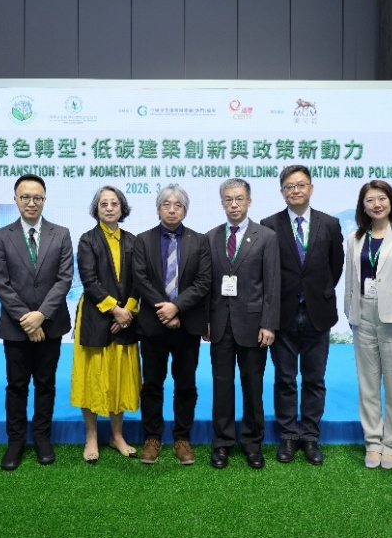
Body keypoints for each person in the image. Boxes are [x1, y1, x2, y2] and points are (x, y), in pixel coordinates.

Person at [260, 164, 344, 466]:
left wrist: (315, 292)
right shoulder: (269, 225)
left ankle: (309, 436)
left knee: (314, 379)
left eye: (300, 185)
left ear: (311, 188)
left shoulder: (329, 224)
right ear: (282, 191)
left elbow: (335, 267)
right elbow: (266, 271)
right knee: (284, 379)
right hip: (282, 315)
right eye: (289, 186)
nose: (295, 190)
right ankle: (287, 435)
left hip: (317, 314)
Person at [0, 175, 74, 471]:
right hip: (16, 327)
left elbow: (64, 279)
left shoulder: (61, 234)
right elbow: (0, 282)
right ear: (15, 199)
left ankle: (41, 437)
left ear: (44, 200)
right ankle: (15, 441)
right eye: (25, 197)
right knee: (16, 385)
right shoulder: (1, 236)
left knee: (45, 384)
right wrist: (27, 319)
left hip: (51, 324)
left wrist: (42, 315)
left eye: (37, 197)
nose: (31, 202)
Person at [344, 180, 392, 470]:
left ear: (391, 202)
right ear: (362, 206)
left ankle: (391, 444)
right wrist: (350, 313)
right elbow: (350, 281)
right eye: (370, 200)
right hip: (362, 315)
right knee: (367, 386)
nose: (376, 204)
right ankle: (373, 442)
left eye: (382, 199)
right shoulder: (354, 238)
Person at [132, 184, 212, 465]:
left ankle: (182, 438)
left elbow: (203, 281)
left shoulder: (199, 241)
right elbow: (140, 279)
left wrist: (177, 306)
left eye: (178, 205)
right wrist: (165, 309)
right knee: (152, 384)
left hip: (186, 325)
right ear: (158, 209)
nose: (172, 209)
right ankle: (152, 437)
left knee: (186, 384)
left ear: (185, 210)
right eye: (166, 204)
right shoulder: (142, 240)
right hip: (153, 325)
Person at [204, 178, 280, 470]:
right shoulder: (210, 237)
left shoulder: (266, 237)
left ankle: (252, 443)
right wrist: (205, 321)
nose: (233, 205)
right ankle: (222, 443)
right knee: (222, 386)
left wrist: (269, 324)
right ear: (222, 203)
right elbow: (206, 285)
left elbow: (272, 285)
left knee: (253, 386)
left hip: (253, 325)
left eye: (239, 199)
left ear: (249, 201)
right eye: (228, 199)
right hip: (219, 325)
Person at [71, 186, 142, 464]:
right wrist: (115, 310)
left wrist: (129, 310)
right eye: (104, 204)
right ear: (96, 209)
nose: (109, 208)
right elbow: (89, 280)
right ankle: (91, 437)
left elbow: (139, 280)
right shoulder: (87, 240)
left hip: (126, 318)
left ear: (122, 208)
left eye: (114, 203)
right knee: (92, 378)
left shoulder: (133, 240)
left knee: (118, 377)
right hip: (95, 315)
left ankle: (117, 435)